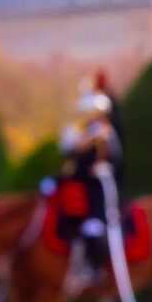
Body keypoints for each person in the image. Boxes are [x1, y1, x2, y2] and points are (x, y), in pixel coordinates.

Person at [58, 71, 125, 279]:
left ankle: (95, 266)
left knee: (94, 225)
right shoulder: (87, 132)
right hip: (83, 185)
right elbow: (73, 153)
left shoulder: (104, 132)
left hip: (100, 187)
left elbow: (105, 158)